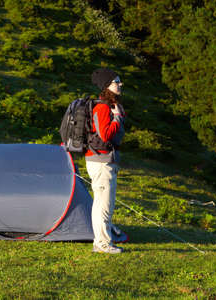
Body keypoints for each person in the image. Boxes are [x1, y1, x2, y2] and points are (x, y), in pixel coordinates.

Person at [86, 68, 126, 254]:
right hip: (102, 162)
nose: (120, 84)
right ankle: (103, 244)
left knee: (100, 203)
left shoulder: (106, 106)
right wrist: (117, 117)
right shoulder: (102, 107)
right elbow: (106, 135)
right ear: (107, 86)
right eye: (116, 82)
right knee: (104, 204)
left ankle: (100, 242)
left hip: (101, 160)